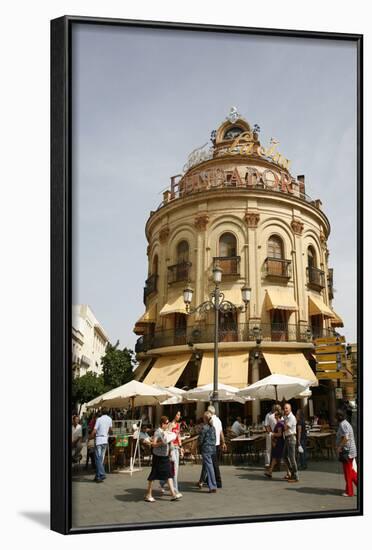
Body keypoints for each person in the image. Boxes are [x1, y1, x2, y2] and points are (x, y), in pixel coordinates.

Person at [144, 416, 182, 502]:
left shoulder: (165, 432)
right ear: (162, 424)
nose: (167, 424)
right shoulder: (158, 432)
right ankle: (148, 495)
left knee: (169, 474)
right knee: (153, 475)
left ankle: (173, 494)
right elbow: (153, 444)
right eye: (166, 423)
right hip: (158, 457)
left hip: (164, 456)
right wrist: (163, 442)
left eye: (168, 423)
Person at [197, 405, 227, 488]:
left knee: (210, 465)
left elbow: (202, 438)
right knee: (211, 465)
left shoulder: (207, 424)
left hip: (207, 447)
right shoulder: (218, 420)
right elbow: (220, 433)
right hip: (215, 445)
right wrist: (223, 442)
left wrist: (199, 444)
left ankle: (215, 482)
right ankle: (206, 481)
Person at [160, 411, 183, 495]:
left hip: (177, 448)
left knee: (172, 469)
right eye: (177, 414)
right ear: (174, 415)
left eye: (179, 415)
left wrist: (181, 447)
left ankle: (162, 482)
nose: (179, 416)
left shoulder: (178, 425)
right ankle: (175, 490)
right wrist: (169, 450)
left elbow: (179, 436)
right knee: (174, 470)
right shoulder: (169, 424)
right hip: (172, 449)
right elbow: (167, 437)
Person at [336, 409, 358, 497]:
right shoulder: (345, 423)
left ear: (338, 417)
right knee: (351, 471)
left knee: (348, 473)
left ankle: (349, 492)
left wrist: (339, 447)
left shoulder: (343, 424)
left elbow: (346, 437)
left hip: (347, 451)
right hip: (350, 450)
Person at [90, 408, 112, 482]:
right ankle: (98, 476)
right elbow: (110, 430)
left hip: (99, 440)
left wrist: (90, 437)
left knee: (98, 459)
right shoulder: (110, 419)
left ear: (101, 412)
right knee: (100, 459)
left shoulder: (99, 419)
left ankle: (102, 474)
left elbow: (95, 430)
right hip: (105, 440)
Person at [199, 411, 217, 492]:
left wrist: (198, 445)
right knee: (208, 466)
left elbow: (201, 439)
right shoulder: (212, 427)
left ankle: (212, 486)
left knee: (209, 467)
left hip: (206, 449)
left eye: (203, 417)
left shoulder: (205, 427)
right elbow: (215, 439)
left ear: (205, 418)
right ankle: (202, 481)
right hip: (212, 449)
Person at [264, 410, 284, 478]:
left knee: (282, 457)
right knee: (275, 457)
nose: (274, 416)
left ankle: (289, 472)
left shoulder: (279, 424)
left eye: (275, 415)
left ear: (278, 416)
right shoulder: (280, 422)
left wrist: (272, 434)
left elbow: (280, 434)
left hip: (279, 442)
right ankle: (270, 472)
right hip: (277, 442)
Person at [283, 402, 299, 482]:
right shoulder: (286, 417)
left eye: (286, 408)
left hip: (291, 438)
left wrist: (283, 422)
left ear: (290, 409)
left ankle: (295, 476)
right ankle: (292, 472)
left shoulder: (291, 417)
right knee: (284, 456)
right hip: (287, 438)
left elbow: (285, 428)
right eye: (284, 408)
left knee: (292, 458)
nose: (285, 410)